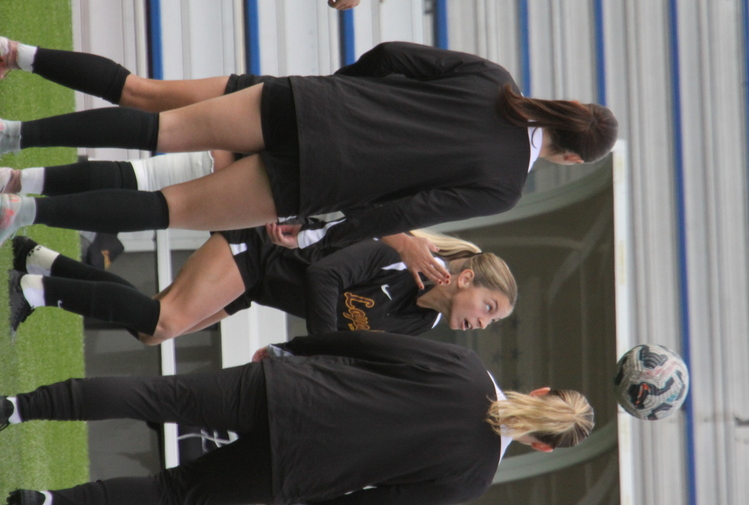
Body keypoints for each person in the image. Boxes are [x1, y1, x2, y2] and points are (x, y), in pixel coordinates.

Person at [0, 40, 618, 263]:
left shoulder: (494, 79)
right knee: (168, 209)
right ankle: (20, 212)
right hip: (320, 178)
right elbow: (405, 211)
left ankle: (14, 102)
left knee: (153, 116)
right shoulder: (507, 185)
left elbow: (394, 54)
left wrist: (340, 90)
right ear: (567, 159)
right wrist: (325, 236)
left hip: (311, 107)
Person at [1, 331, 595, 505]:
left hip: (290, 391)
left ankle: (17, 408)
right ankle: (48, 504)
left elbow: (365, 346)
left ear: (540, 389)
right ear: (541, 447)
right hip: (298, 468)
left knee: (156, 396)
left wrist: (294, 351)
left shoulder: (462, 366)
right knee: (172, 492)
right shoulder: (472, 480)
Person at [8, 228, 515, 345]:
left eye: (492, 321)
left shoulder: (419, 323)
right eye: (489, 306)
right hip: (260, 251)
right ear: (465, 278)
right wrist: (322, 348)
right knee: (161, 319)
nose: (483, 322)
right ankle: (34, 289)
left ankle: (39, 259)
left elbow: (360, 350)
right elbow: (324, 275)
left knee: (151, 330)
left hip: (258, 288)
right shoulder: (405, 257)